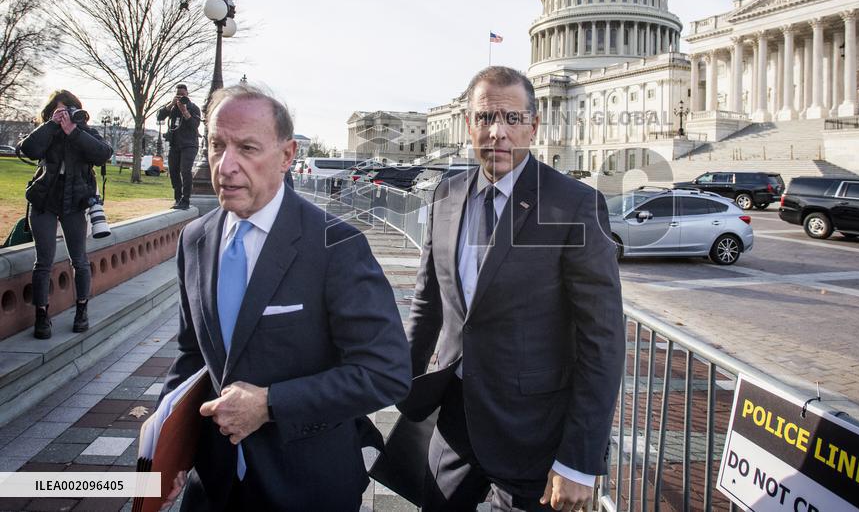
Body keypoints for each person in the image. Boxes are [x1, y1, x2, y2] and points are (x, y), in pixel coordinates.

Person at [159, 84, 410, 511]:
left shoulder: (337, 245)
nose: (226, 165)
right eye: (217, 145)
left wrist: (269, 404)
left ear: (287, 155)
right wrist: (168, 447)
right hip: (212, 486)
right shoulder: (194, 239)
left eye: (247, 148)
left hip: (305, 486)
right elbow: (191, 355)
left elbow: (385, 372)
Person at [402, 66, 625, 511]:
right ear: (469, 125)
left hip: (533, 432)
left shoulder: (574, 204)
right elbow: (428, 303)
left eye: (512, 118)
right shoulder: (445, 195)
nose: (497, 132)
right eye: (485, 118)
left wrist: (579, 459)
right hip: (455, 421)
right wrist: (397, 383)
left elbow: (602, 338)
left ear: (534, 126)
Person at [17, 90, 113, 339]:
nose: (63, 117)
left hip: (74, 202)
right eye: (58, 112)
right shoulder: (47, 131)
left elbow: (104, 154)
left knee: (79, 260)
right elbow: (29, 149)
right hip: (44, 200)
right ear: (50, 113)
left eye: (67, 111)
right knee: (43, 261)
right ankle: (41, 315)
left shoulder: (84, 132)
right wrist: (51, 125)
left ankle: (82, 310)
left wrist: (73, 131)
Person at [157, 84, 201, 210]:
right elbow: (160, 117)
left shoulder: (194, 108)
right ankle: (178, 198)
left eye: (183, 95)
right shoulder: (172, 107)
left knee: (185, 170)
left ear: (187, 94)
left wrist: (185, 111)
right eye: (178, 95)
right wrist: (171, 104)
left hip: (189, 144)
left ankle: (185, 200)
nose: (180, 97)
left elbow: (194, 125)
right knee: (173, 171)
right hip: (175, 144)